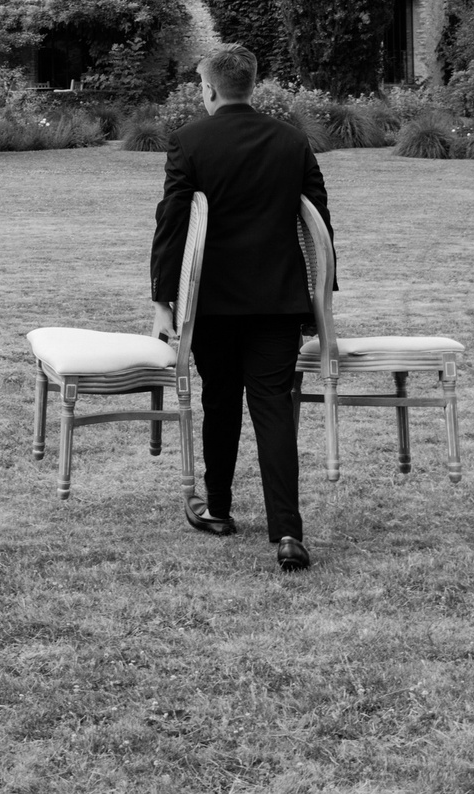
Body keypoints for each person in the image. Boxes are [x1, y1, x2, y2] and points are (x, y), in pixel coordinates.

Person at [149, 44, 333, 573]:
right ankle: (288, 533)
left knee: (222, 399)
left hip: (212, 303)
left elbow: (172, 226)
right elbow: (318, 226)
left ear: (208, 89)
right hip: (278, 301)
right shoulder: (292, 141)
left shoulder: (189, 141)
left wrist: (163, 301)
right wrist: (318, 303)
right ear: (253, 84)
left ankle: (220, 510)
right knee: (272, 408)